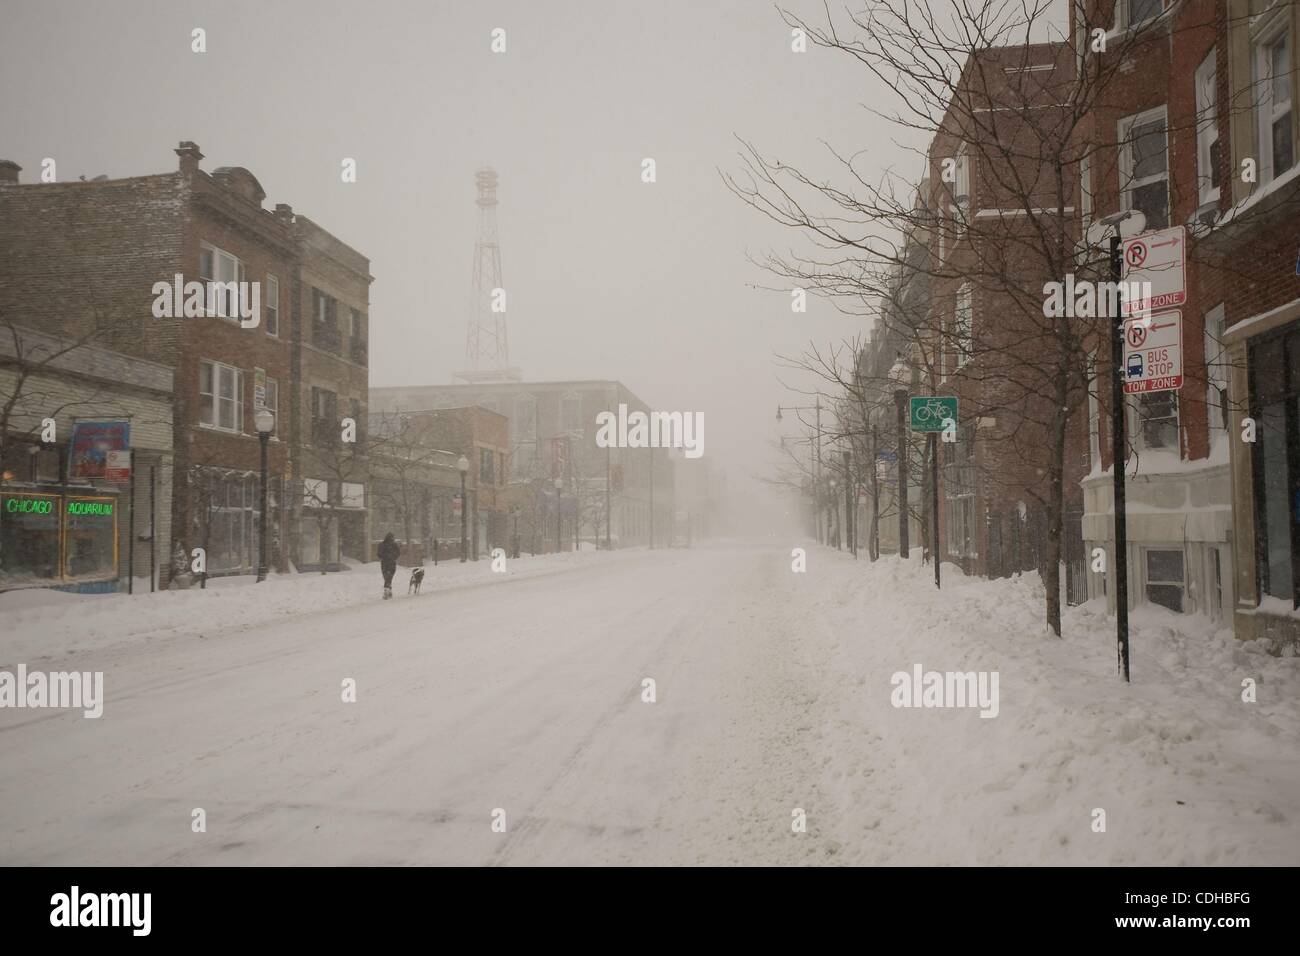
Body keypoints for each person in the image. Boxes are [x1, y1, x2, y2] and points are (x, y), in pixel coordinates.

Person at [378, 532, 400, 599]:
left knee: (386, 578)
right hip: (392, 564)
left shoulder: (382, 544)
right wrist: (393, 557)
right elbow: (398, 553)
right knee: (389, 578)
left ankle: (387, 592)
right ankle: (388, 591)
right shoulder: (394, 545)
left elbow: (379, 554)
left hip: (384, 564)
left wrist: (384, 557)